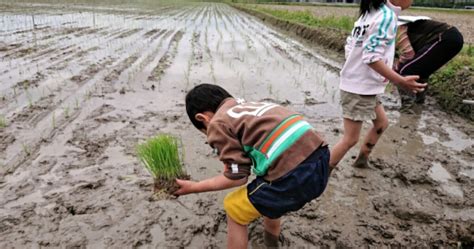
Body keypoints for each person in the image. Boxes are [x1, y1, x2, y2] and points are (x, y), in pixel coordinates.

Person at [174, 83, 330, 249]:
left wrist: (194, 187)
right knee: (267, 192)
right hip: (321, 159)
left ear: (203, 119)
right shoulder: (248, 107)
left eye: (205, 132)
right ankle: (272, 243)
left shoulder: (218, 123)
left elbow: (238, 178)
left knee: (233, 208)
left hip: (292, 175)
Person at [329, 0, 427, 169]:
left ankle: (361, 161)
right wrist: (400, 80)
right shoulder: (386, 16)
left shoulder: (371, 13)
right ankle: (317, 177)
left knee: (381, 124)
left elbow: (351, 46)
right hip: (360, 88)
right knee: (350, 139)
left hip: (363, 85)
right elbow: (372, 57)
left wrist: (360, 69)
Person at [395, 17, 464, 106]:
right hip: (451, 37)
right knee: (420, 71)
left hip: (444, 38)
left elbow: (408, 54)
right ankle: (418, 104)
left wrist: (396, 70)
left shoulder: (397, 28)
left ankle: (408, 107)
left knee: (405, 71)